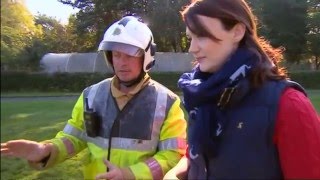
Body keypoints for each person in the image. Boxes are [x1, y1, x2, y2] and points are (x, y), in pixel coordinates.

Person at [1, 16, 187, 180]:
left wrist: (129, 174)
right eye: (116, 54)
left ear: (147, 57)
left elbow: (173, 156)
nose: (122, 62)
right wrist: (46, 151)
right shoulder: (91, 95)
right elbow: (74, 138)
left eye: (130, 55)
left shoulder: (167, 102)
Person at [164, 0, 320, 179]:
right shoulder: (202, 97)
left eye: (202, 36)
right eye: (191, 37)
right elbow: (199, 154)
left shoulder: (289, 105)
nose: (192, 48)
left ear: (237, 32)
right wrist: (175, 173)